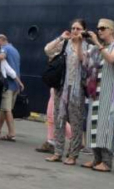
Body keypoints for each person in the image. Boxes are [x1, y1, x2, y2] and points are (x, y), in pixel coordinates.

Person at [82, 18, 114, 173]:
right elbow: (83, 58)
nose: (99, 31)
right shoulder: (100, 47)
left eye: (103, 28)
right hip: (96, 92)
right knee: (93, 125)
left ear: (111, 30)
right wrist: (76, 42)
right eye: (98, 28)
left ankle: (107, 162)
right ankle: (97, 159)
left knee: (105, 127)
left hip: (110, 92)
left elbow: (111, 59)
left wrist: (96, 43)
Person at [44, 19, 90, 165]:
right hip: (61, 88)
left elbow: (84, 61)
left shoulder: (87, 46)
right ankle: (58, 152)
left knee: (75, 122)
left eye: (78, 28)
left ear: (84, 30)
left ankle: (73, 155)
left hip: (77, 89)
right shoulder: (64, 44)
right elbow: (47, 50)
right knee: (59, 120)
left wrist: (78, 44)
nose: (75, 30)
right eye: (73, 28)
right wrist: (61, 38)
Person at [0, 34, 24, 141]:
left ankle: (12, 133)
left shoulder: (5, 48)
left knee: (7, 110)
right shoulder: (15, 50)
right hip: (16, 84)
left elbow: (1, 57)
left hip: (8, 84)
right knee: (4, 109)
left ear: (2, 40)